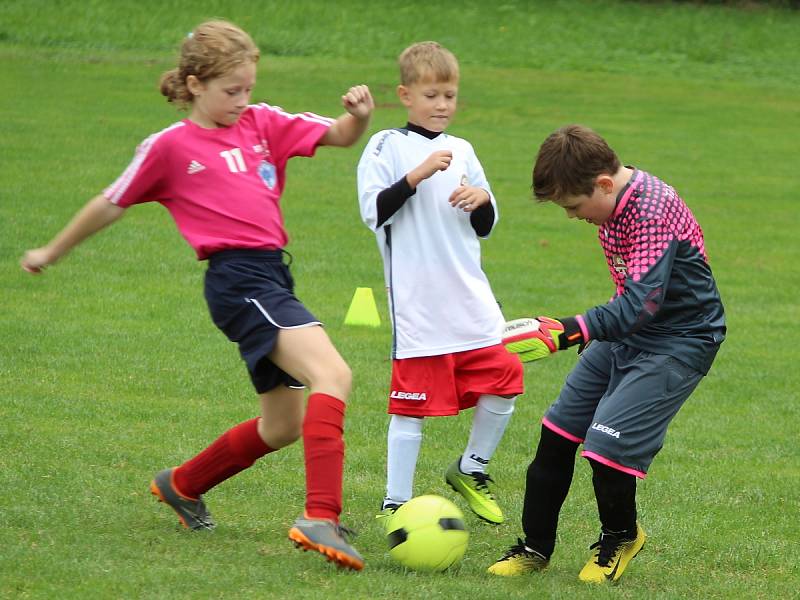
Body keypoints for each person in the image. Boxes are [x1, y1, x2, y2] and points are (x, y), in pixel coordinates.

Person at [20, 20, 374, 571]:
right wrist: (52, 250)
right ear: (193, 84)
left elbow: (338, 135)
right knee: (335, 374)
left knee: (283, 426)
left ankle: (182, 484)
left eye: (248, 88)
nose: (242, 100)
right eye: (230, 90)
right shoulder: (169, 146)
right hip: (237, 281)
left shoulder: (264, 122)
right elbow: (110, 202)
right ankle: (320, 516)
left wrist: (359, 116)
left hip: (272, 278)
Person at [488, 124, 726, 583]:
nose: (573, 216)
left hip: (680, 339)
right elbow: (630, 304)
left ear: (602, 184)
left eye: (575, 207)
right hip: (625, 334)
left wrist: (571, 330)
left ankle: (621, 536)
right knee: (557, 434)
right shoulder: (611, 202)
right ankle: (534, 548)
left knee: (606, 446)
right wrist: (590, 336)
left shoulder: (652, 209)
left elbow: (643, 304)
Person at [356, 41, 524, 526]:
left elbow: (486, 223)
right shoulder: (386, 145)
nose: (443, 105)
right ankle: (396, 502)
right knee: (410, 406)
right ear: (405, 95)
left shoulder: (466, 149)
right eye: (432, 95)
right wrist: (417, 175)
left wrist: (482, 200)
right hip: (418, 303)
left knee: (505, 378)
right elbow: (375, 212)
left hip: (469, 296)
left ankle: (472, 468)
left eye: (449, 95)